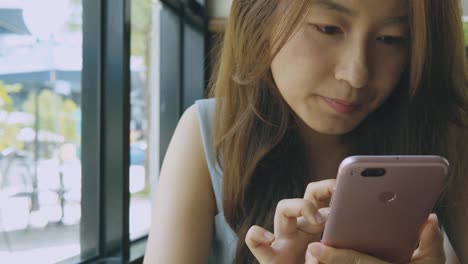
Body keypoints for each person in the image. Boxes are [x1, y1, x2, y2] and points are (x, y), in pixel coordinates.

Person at [143, 0, 468, 263]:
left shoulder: (447, 136)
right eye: (328, 28)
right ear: (260, 19)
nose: (356, 74)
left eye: (391, 38)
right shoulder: (208, 133)